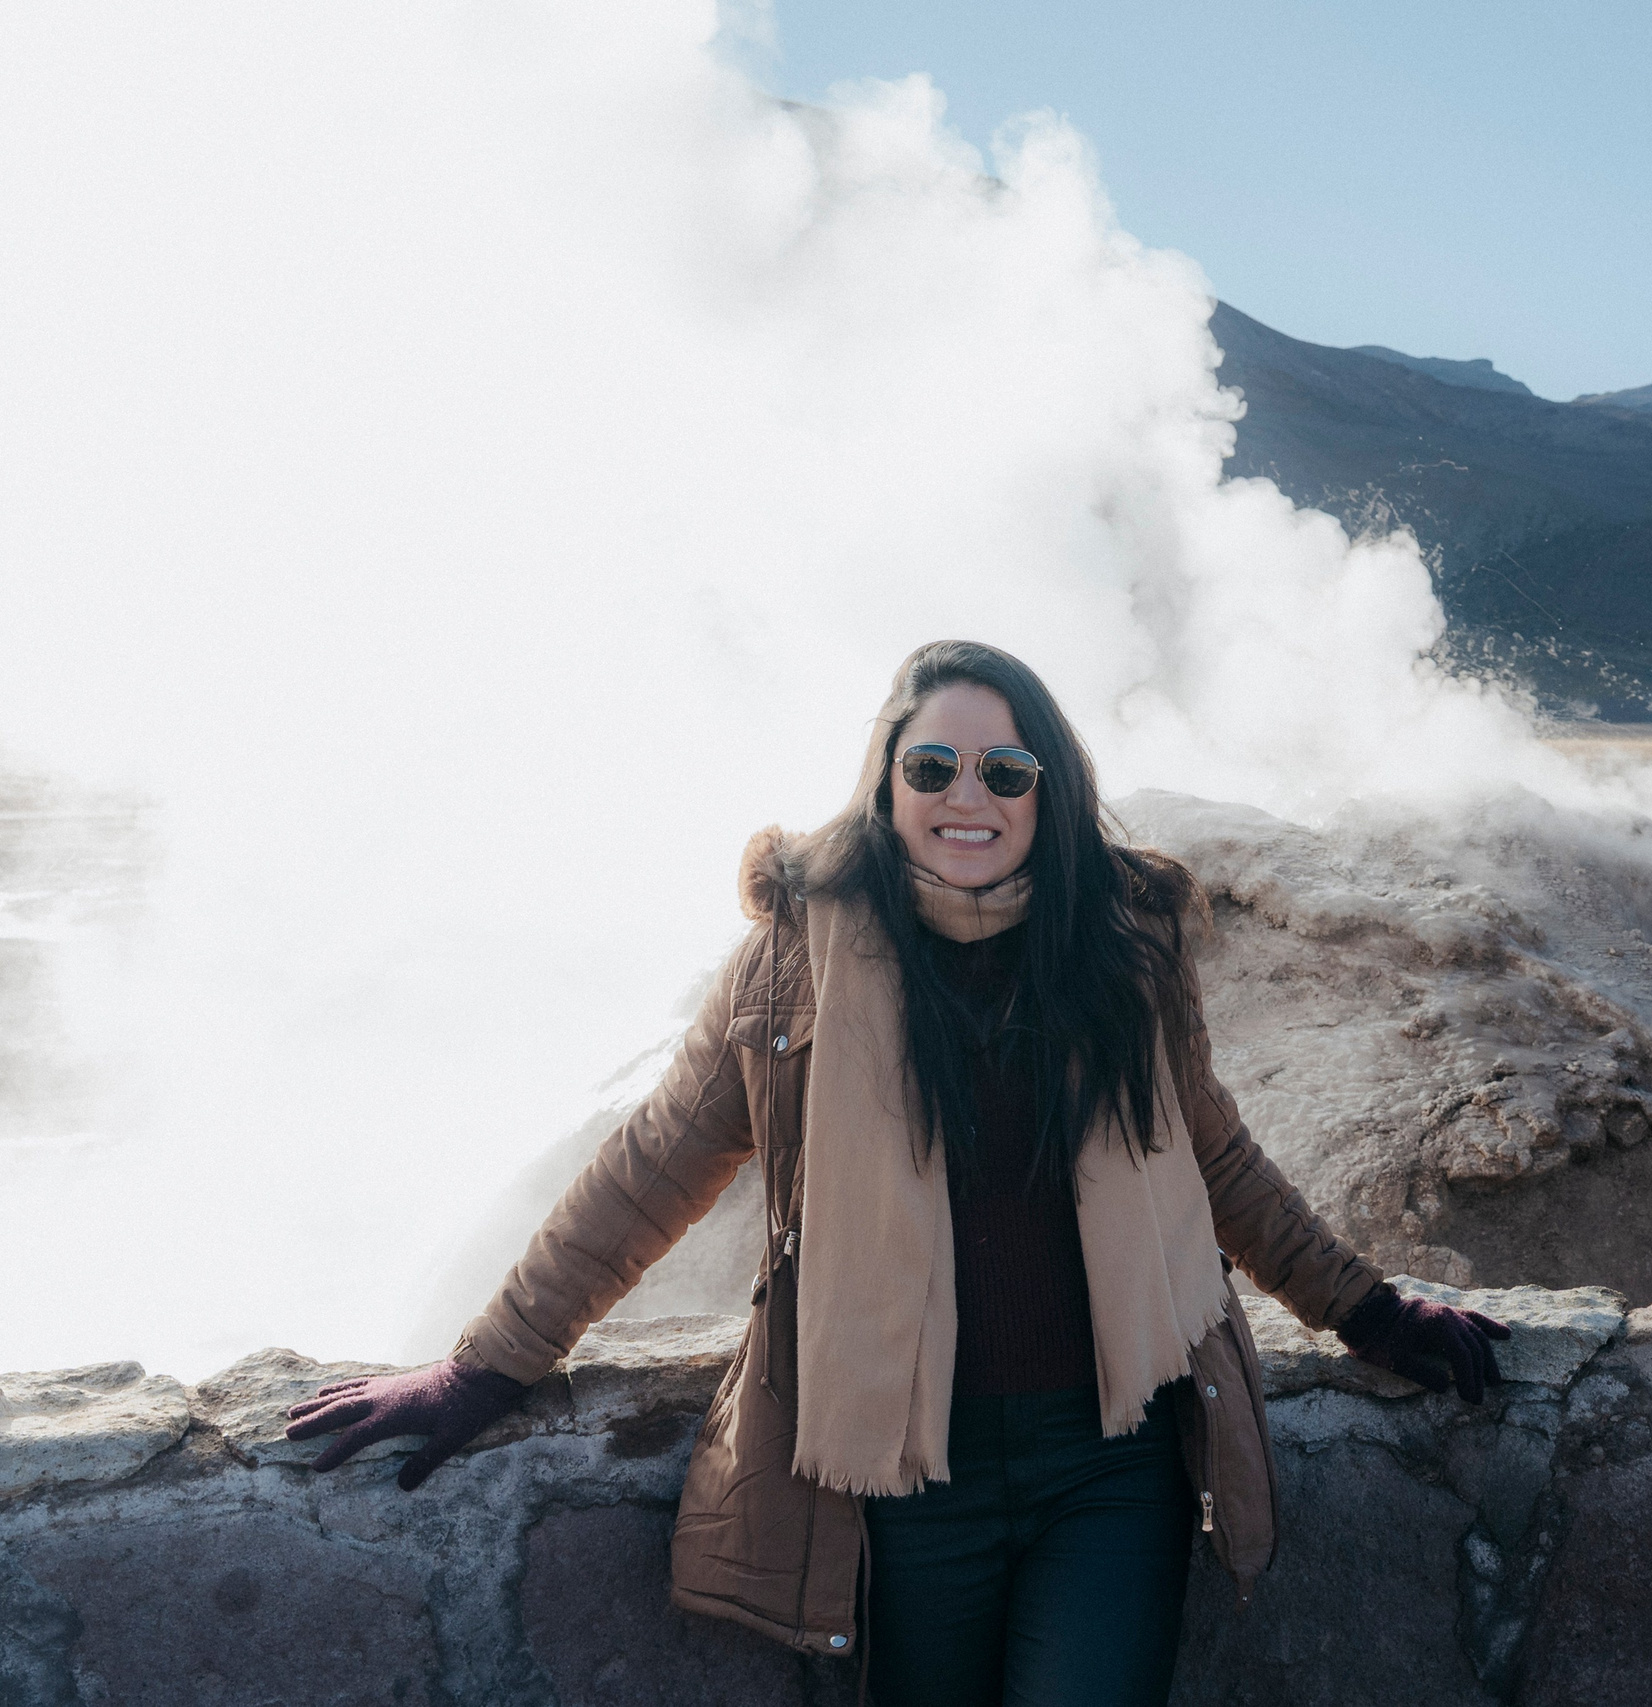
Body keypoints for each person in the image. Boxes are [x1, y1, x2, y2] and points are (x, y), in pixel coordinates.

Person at [287, 639, 1509, 1707]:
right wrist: (483, 1365)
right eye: (932, 768)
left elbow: (1217, 1159)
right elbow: (649, 1169)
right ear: (887, 781)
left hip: (1111, 1459)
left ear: (1048, 792)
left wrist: (1371, 1309)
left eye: (1003, 771)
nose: (964, 796)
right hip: (912, 1473)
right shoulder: (793, 963)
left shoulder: (1119, 952)